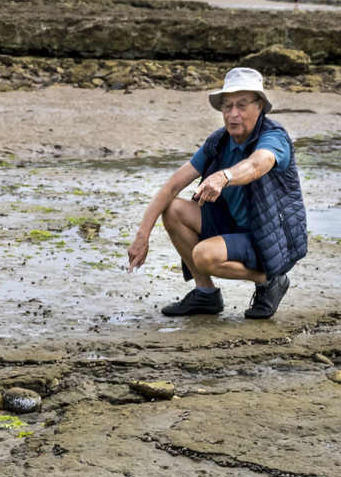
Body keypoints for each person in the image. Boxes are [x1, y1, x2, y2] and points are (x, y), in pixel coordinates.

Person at [126, 67, 308, 323]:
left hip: (268, 236)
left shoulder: (274, 137)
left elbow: (257, 164)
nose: (233, 114)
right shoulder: (219, 141)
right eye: (227, 106)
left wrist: (225, 176)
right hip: (232, 226)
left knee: (203, 255)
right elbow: (171, 187)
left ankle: (272, 278)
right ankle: (206, 294)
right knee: (173, 209)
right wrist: (142, 237)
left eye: (242, 106)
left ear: (260, 106)